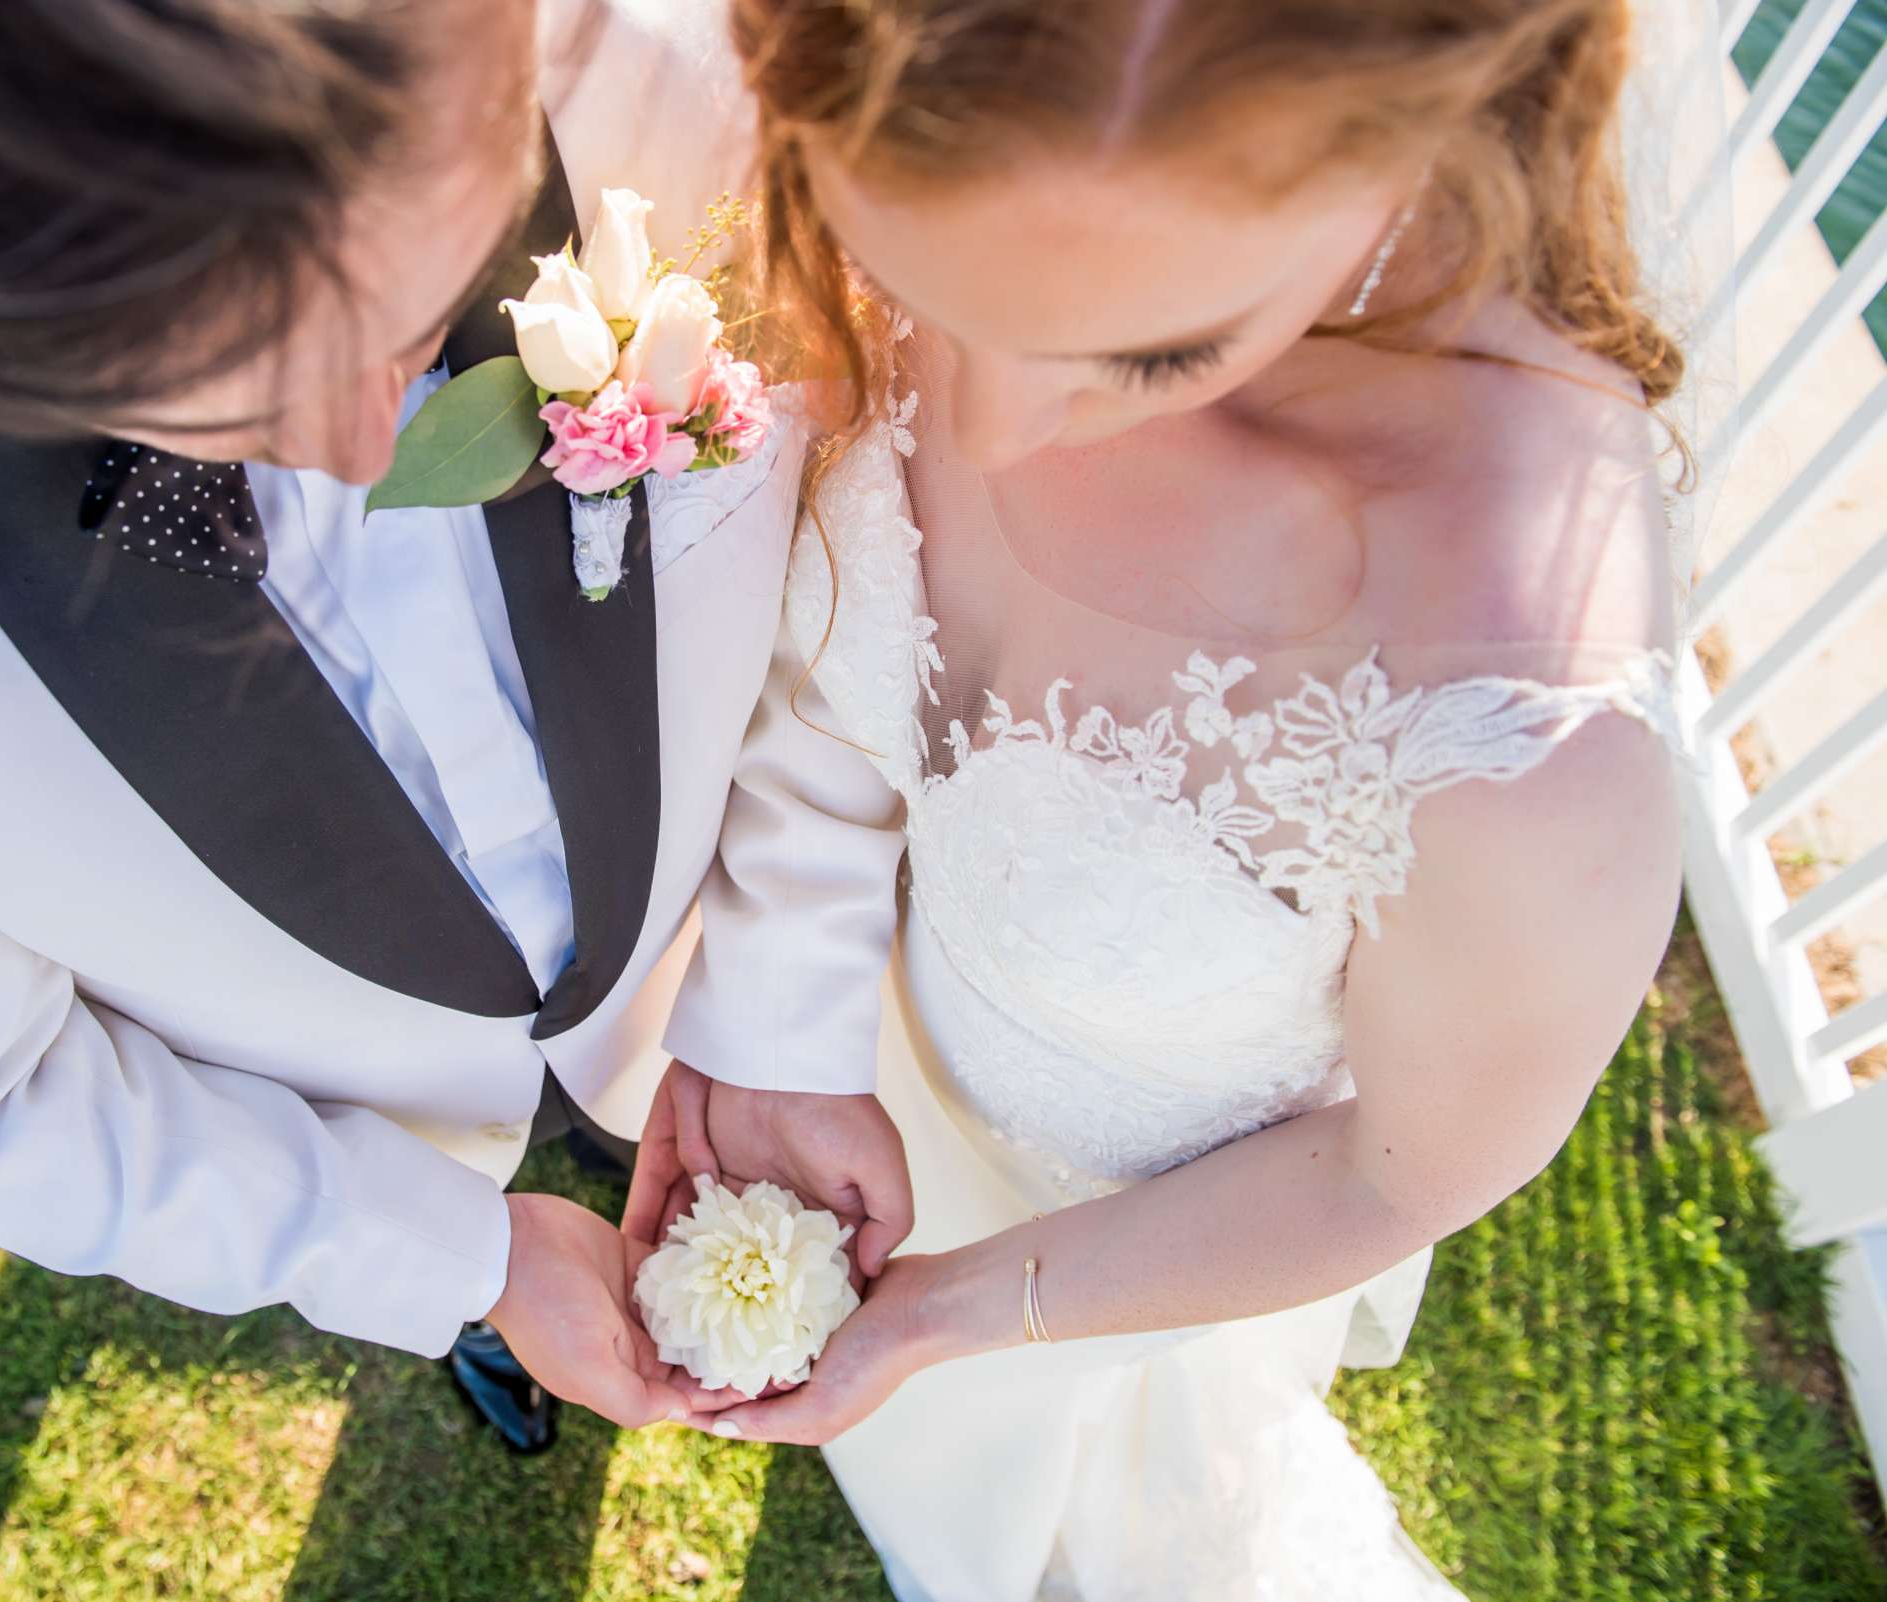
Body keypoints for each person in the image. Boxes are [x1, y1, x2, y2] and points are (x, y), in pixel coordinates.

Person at [0, 0, 912, 1456]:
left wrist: (783, 1000)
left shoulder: (698, 42)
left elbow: (856, 492)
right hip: (368, 1130)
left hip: (697, 973)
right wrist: (451, 1260)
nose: (381, 453)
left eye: (416, 325)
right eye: (239, 404)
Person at [638, 0, 1711, 1593]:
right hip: (879, 1055)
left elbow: (1395, 1171)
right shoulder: (955, 120)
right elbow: (838, 679)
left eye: (1155, 351)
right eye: (921, 284)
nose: (987, 428)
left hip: (1123, 1227)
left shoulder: (1523, 724)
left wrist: (958, 1308)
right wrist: (783, 1021)